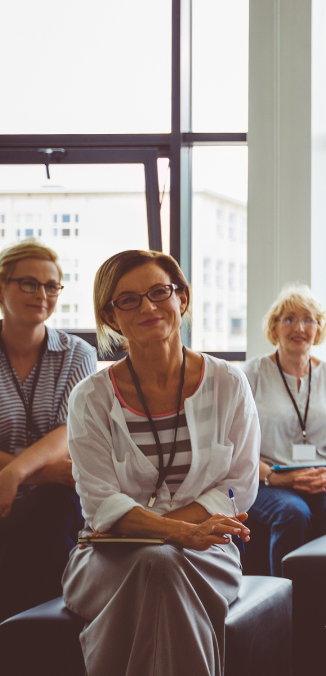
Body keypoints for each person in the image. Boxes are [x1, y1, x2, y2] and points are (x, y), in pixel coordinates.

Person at [62, 250, 258, 676]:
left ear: (181, 299)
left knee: (162, 563)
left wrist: (179, 537)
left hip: (207, 555)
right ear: (111, 317)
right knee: (161, 561)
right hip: (108, 557)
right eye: (128, 300)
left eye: (159, 292)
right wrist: (181, 533)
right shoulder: (91, 398)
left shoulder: (228, 383)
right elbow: (99, 505)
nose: (148, 307)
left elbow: (239, 485)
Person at [0, 240, 96, 621]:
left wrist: (14, 473)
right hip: (27, 485)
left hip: (56, 496)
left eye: (51, 285)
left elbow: (68, 431)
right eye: (28, 283)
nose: (42, 294)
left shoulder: (78, 353)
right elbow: (56, 461)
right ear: (2, 287)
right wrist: (30, 472)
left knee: (53, 504)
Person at [242, 284, 326, 577]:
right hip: (267, 478)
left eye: (308, 320)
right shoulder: (250, 375)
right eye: (289, 319)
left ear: (319, 328)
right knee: (292, 512)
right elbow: (237, 445)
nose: (299, 327)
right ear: (274, 326)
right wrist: (275, 476)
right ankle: (283, 603)